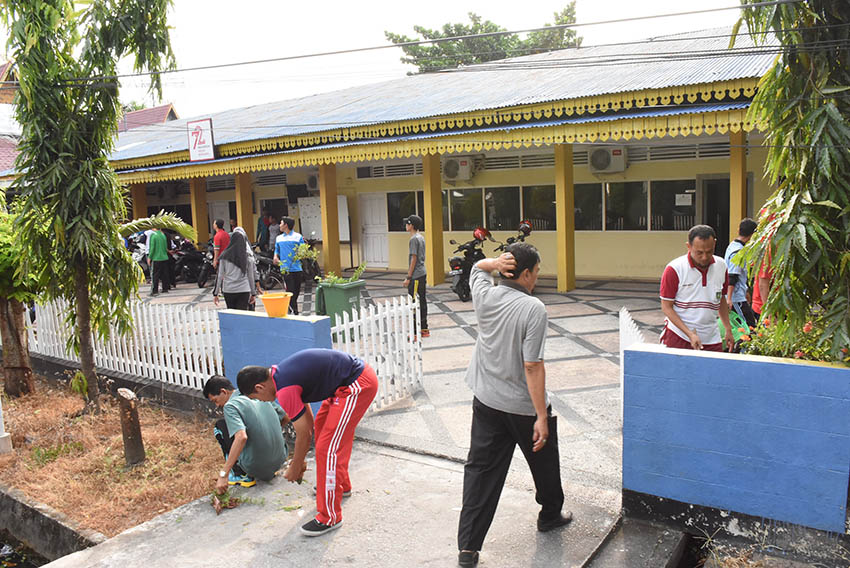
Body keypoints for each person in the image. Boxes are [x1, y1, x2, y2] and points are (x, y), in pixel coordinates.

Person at [457, 243, 572, 568]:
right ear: (524, 274)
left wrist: (492, 261)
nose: (538, 277)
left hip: (486, 400)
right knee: (544, 460)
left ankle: (468, 548)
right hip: (522, 407)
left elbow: (477, 268)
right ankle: (550, 515)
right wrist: (540, 416)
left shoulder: (485, 295)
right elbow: (532, 366)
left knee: (480, 471)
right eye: (536, 272)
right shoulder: (533, 308)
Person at [239, 348, 378, 537]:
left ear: (259, 388)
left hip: (356, 385)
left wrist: (296, 465)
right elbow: (308, 424)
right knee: (324, 435)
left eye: (256, 399)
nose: (262, 402)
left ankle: (329, 517)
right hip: (343, 386)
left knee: (327, 449)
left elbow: (303, 433)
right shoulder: (280, 376)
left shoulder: (284, 390)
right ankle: (341, 486)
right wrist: (301, 460)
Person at [203, 375, 288, 492]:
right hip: (279, 460)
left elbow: (242, 437)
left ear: (223, 391)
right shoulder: (256, 393)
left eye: (215, 400)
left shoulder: (231, 406)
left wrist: (223, 475)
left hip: (256, 467)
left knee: (220, 426)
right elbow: (286, 417)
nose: (217, 405)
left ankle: (241, 474)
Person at [660, 225, 734, 352]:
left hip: (711, 338)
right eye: (699, 252)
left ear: (715, 244)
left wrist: (728, 328)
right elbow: (666, 307)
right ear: (688, 246)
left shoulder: (722, 266)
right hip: (679, 336)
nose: (704, 257)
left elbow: (721, 299)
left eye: (709, 251)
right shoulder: (674, 269)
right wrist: (690, 334)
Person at [724, 218, 758, 328]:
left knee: (743, 325)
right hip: (736, 297)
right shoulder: (738, 251)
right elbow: (732, 276)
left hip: (739, 295)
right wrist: (729, 299)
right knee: (748, 326)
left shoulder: (732, 245)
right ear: (753, 234)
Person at [213, 231, 257, 310]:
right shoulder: (247, 257)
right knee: (242, 315)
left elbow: (219, 275)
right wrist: (253, 293)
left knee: (232, 314)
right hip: (244, 289)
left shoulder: (224, 256)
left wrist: (215, 293)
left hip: (229, 290)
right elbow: (251, 276)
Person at [402, 214, 429, 338]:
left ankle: (414, 332)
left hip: (416, 276)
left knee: (413, 303)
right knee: (422, 301)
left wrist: (408, 277)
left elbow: (414, 258)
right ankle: (424, 329)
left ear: (411, 225)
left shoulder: (413, 239)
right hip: (422, 273)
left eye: (407, 224)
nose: (405, 226)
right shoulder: (421, 237)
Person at [274, 216, 306, 315]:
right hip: (285, 269)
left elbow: (303, 251)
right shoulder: (279, 238)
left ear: (286, 225)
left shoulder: (298, 237)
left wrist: (304, 250)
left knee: (296, 291)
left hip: (297, 268)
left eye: (281, 223)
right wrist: (275, 257)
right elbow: (277, 250)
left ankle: (291, 308)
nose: (279, 225)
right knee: (290, 290)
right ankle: (294, 311)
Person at [232, 226, 264, 311]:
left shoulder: (229, 255)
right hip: (246, 289)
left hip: (233, 290)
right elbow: (253, 274)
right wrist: (255, 290)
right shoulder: (249, 255)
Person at [147, 227, 170, 296]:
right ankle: (165, 288)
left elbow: (152, 247)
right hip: (164, 257)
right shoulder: (163, 235)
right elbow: (166, 247)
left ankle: (154, 290)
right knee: (164, 274)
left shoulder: (153, 235)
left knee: (155, 275)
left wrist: (149, 257)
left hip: (156, 258)